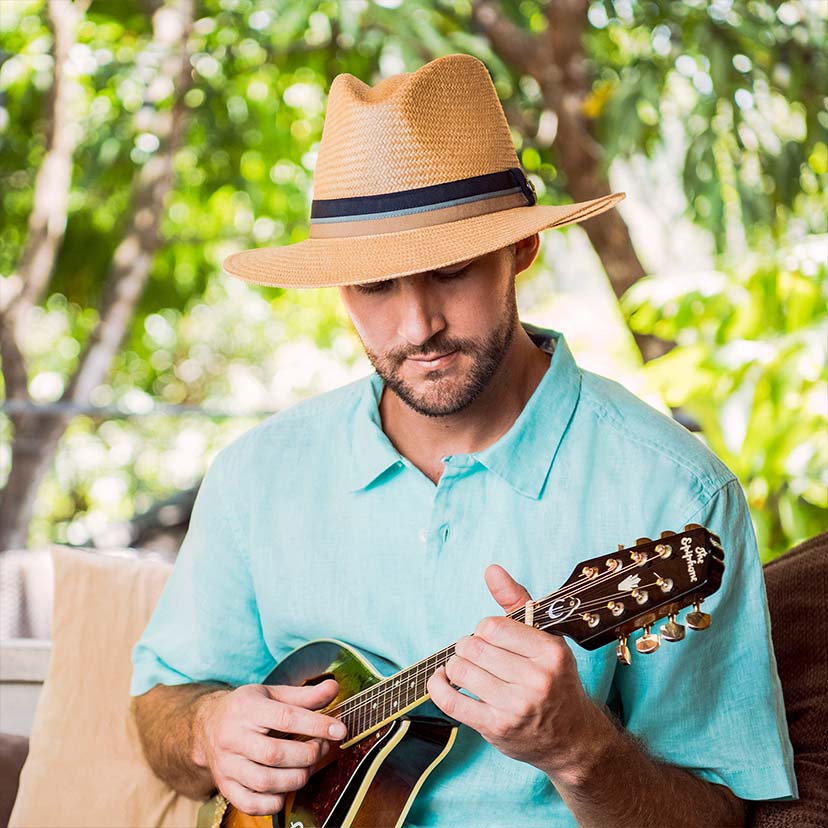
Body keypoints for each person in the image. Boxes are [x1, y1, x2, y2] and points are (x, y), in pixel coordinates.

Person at [130, 54, 796, 827]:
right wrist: (209, 730)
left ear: (521, 250)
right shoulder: (258, 474)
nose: (417, 328)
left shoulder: (675, 494)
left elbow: (726, 820)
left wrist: (583, 752)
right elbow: (159, 711)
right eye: (375, 287)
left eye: (450, 272)